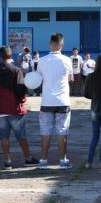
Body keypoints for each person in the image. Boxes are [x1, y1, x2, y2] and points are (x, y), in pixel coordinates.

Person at [0, 46, 39, 169]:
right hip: (13, 108)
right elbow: (21, 90)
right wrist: (23, 99)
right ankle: (28, 158)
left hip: (0, 109)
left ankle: (7, 161)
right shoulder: (16, 71)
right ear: (11, 56)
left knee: (4, 136)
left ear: (0, 57)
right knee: (21, 135)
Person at [37, 33, 73, 169]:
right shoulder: (67, 60)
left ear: (49, 44)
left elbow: (38, 79)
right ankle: (63, 161)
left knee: (45, 132)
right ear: (62, 44)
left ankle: (43, 161)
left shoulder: (41, 60)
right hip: (63, 100)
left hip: (47, 101)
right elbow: (70, 78)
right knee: (62, 131)